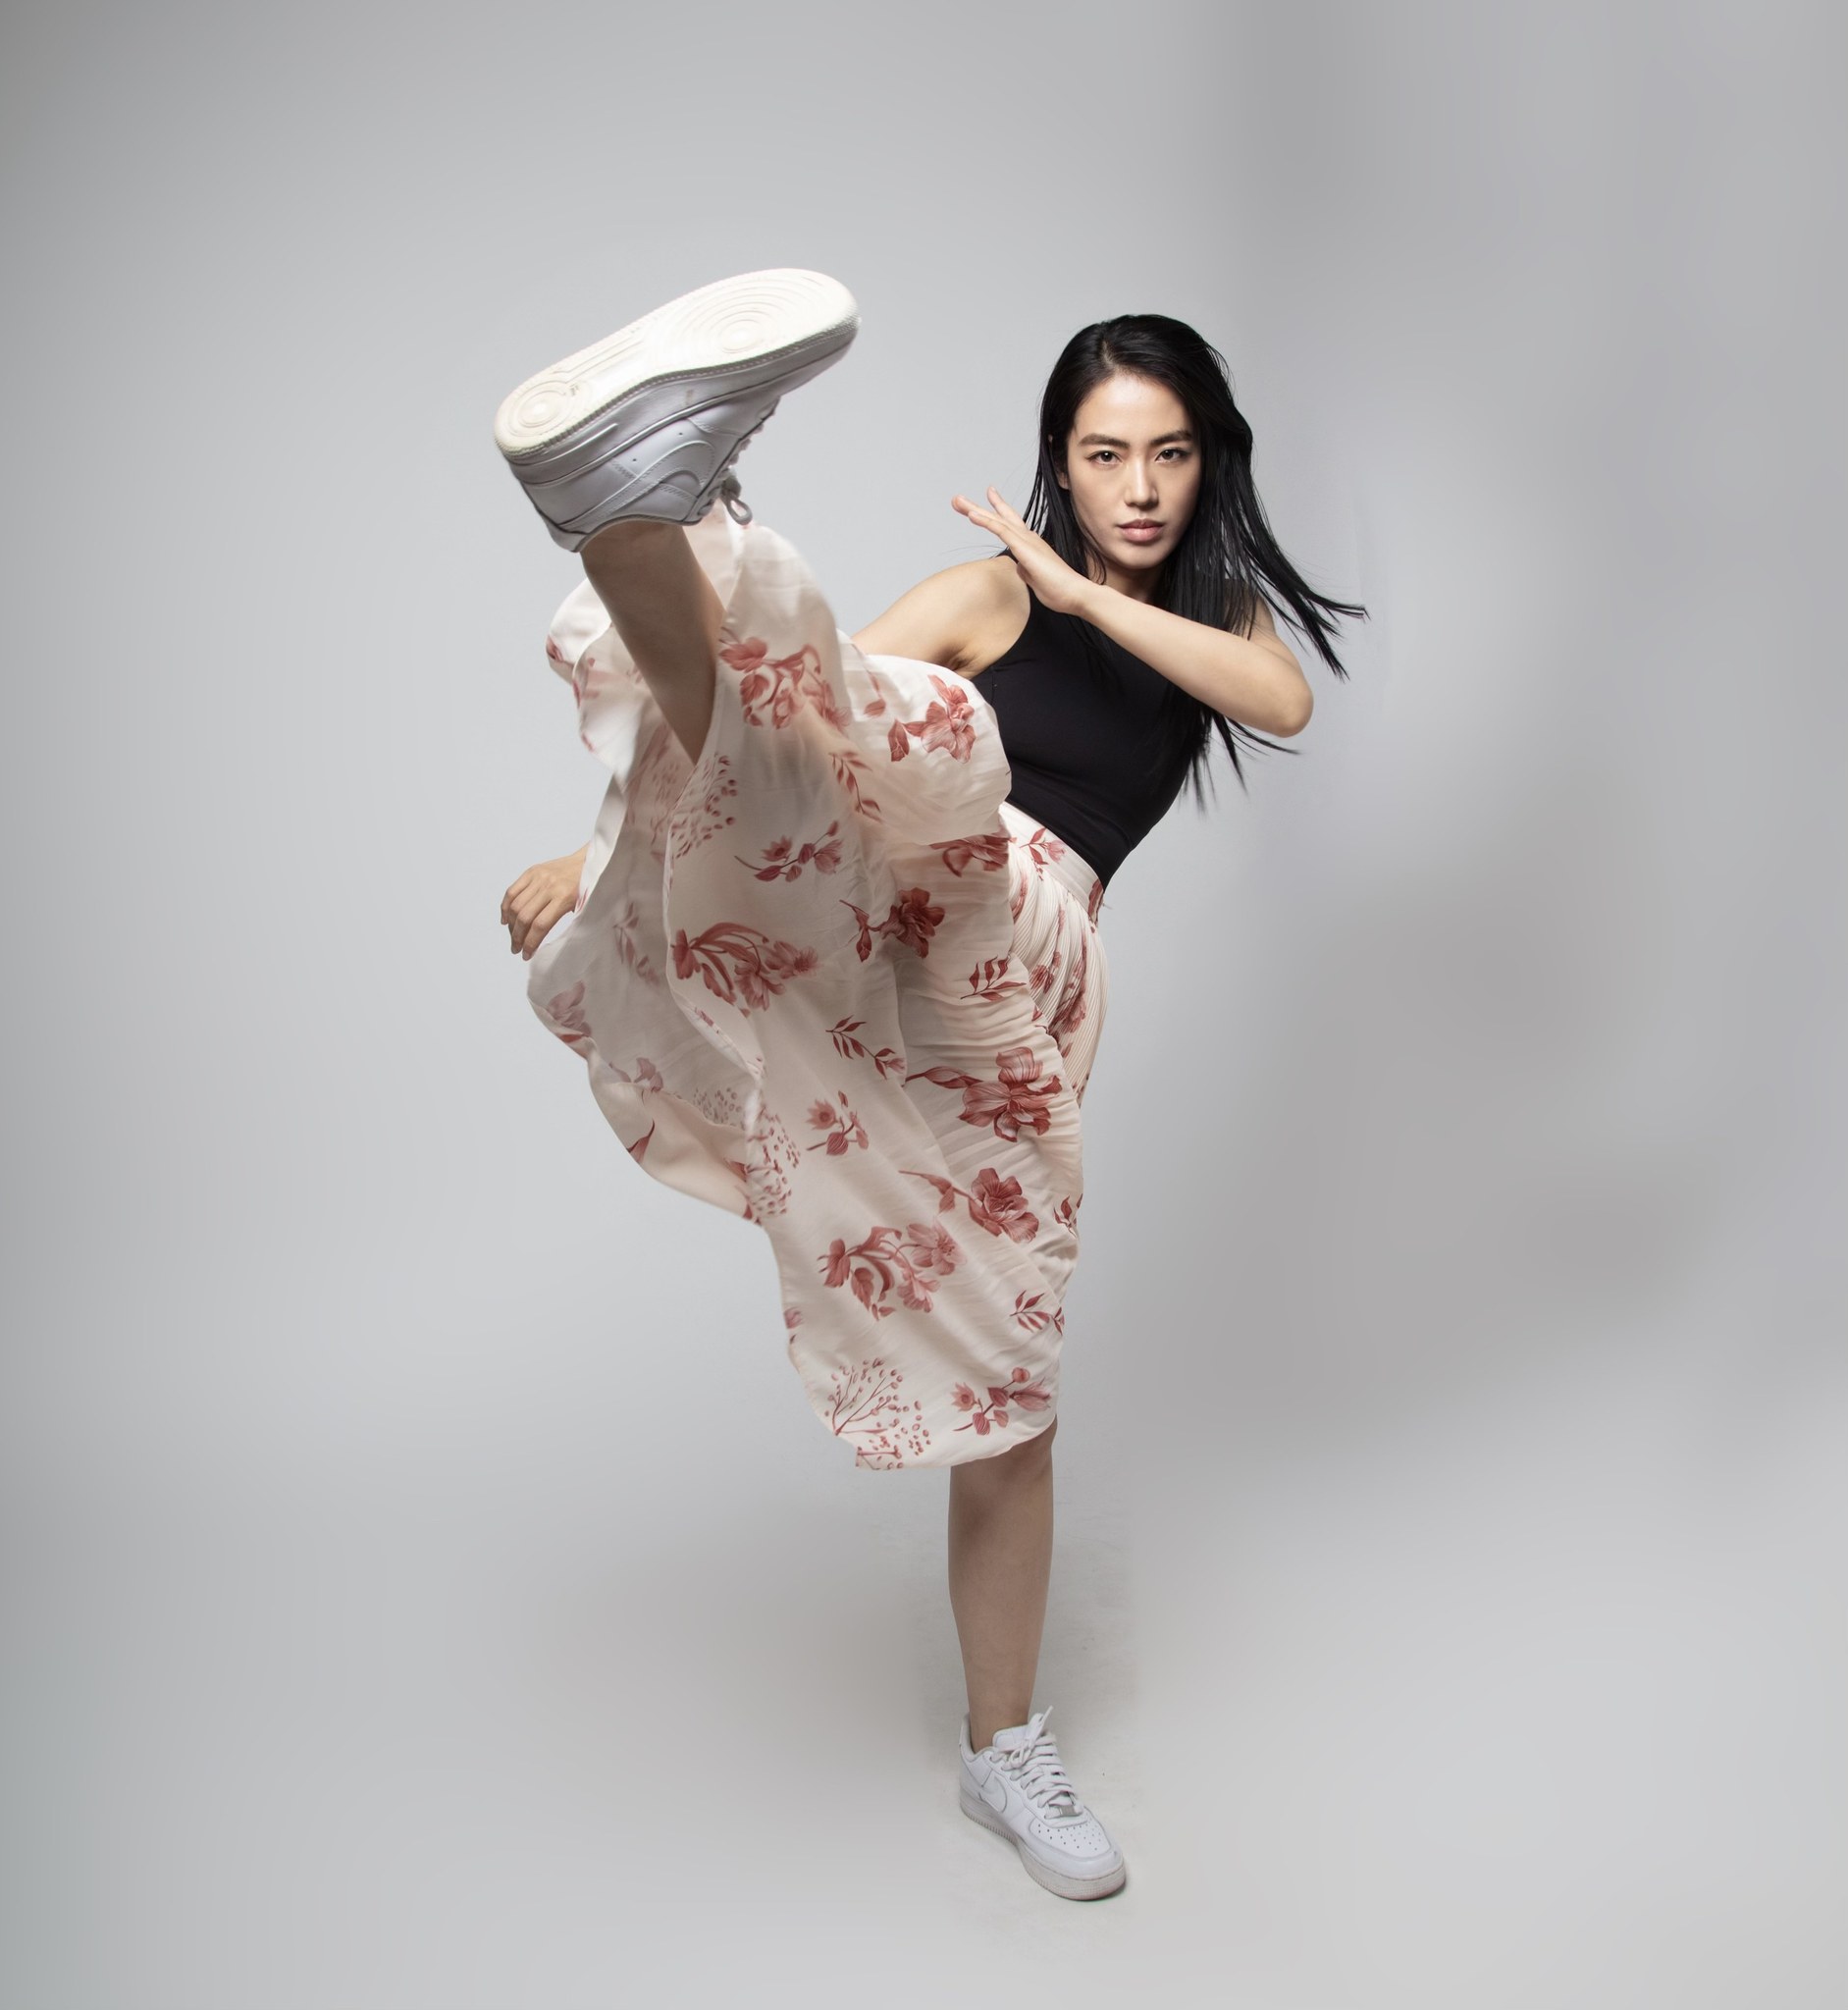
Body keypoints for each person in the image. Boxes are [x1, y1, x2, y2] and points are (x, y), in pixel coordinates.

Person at [493, 270, 1364, 1901]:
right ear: (1060, 459)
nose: (1138, 487)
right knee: (815, 721)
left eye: (1169, 453)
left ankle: (1002, 1748)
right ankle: (645, 518)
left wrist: (1087, 595)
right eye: (1104, 455)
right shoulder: (986, 594)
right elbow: (777, 722)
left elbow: (1283, 698)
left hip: (1008, 970)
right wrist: (594, 858)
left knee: (1009, 1390)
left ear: (1209, 462)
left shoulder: (1210, 626)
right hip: (889, 867)